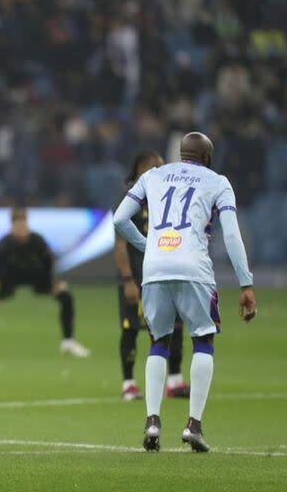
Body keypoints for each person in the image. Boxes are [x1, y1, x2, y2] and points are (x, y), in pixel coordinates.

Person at [113, 132, 257, 453]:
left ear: (181, 154)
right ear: (207, 157)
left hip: (154, 268)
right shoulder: (218, 182)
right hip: (194, 267)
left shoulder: (153, 175)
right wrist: (245, 283)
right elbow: (231, 236)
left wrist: (147, 244)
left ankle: (152, 420)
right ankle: (193, 425)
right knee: (203, 340)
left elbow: (120, 218)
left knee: (158, 342)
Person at [0, 208, 91, 358]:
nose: (21, 229)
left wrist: (51, 283)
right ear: (12, 226)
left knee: (65, 295)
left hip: (37, 278)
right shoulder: (4, 244)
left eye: (23, 224)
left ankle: (68, 342)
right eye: (17, 225)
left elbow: (48, 263)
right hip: (9, 280)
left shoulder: (37, 241)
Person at [115, 151, 189, 401]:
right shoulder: (130, 200)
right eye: (153, 167)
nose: (159, 171)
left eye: (161, 166)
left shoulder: (168, 198)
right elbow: (120, 245)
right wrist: (127, 280)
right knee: (131, 328)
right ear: (139, 171)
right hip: (137, 277)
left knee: (174, 326)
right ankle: (129, 384)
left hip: (165, 273)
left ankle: (175, 380)